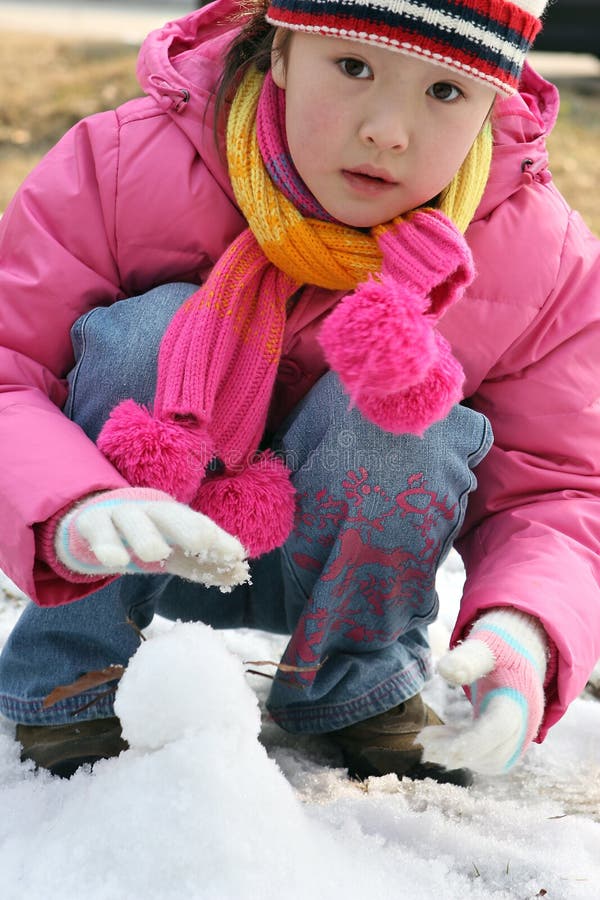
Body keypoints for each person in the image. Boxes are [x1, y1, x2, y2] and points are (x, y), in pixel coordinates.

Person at [0, 0, 598, 783]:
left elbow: (558, 487)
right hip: (127, 526)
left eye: (445, 92)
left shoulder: (536, 254)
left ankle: (360, 681)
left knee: (407, 404)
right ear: (280, 53)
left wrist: (530, 627)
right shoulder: (120, 165)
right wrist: (68, 505)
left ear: (497, 100)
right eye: (354, 67)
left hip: (348, 567)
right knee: (152, 331)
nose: (388, 128)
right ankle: (76, 666)